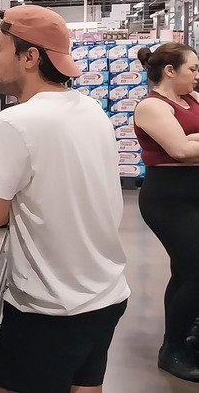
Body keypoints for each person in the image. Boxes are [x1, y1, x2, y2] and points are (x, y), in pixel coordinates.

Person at [0, 5, 129, 393]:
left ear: (29, 57)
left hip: (49, 307)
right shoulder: (91, 109)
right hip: (105, 294)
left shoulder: (15, 122)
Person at [132, 42, 199, 381]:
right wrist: (187, 146)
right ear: (170, 71)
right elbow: (179, 150)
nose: (197, 77)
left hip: (194, 193)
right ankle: (171, 350)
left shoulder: (192, 100)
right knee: (196, 273)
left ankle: (187, 334)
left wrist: (190, 143)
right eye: (192, 70)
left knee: (186, 271)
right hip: (169, 199)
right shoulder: (151, 107)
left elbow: (188, 147)